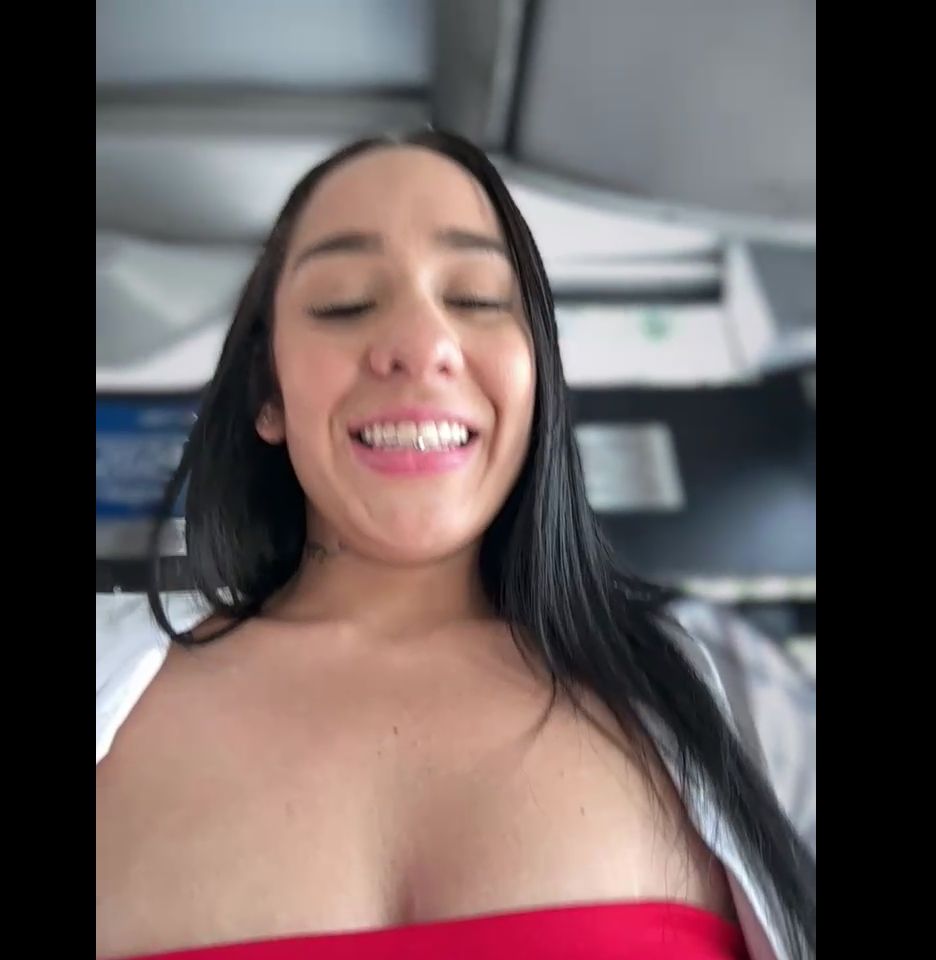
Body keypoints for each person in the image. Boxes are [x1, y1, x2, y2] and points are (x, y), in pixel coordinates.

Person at [95, 130, 815, 960]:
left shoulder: (735, 696)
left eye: (475, 297)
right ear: (270, 392)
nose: (422, 344)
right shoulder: (116, 686)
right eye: (345, 303)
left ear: (536, 377)